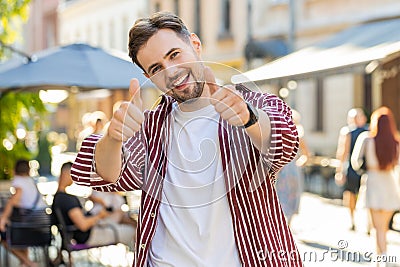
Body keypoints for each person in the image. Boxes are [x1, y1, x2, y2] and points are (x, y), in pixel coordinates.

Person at [71, 12, 301, 266]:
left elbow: (285, 142)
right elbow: (103, 174)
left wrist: (248, 118)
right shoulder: (153, 125)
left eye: (174, 54)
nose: (171, 71)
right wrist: (113, 137)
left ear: (196, 45)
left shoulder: (251, 102)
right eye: (156, 68)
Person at [351, 106, 400, 259]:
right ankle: (382, 256)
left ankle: (381, 257)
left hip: (373, 182)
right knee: (383, 227)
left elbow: (355, 162)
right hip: (389, 183)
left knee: (376, 227)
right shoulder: (395, 142)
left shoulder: (366, 139)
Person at [52, 162, 136, 249]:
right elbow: (83, 225)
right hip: (90, 235)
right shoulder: (66, 199)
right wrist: (100, 216)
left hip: (89, 232)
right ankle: (141, 258)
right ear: (66, 173)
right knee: (133, 231)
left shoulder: (58, 198)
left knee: (126, 219)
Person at [0, 159, 46, 267]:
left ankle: (29, 263)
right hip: (43, 229)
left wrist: (3, 218)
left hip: (30, 229)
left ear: (14, 170)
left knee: (5, 239)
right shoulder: (32, 182)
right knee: (20, 232)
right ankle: (25, 263)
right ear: (29, 170)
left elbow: (14, 200)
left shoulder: (18, 181)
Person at [335, 108, 368, 230]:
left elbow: (342, 152)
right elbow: (343, 152)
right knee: (353, 194)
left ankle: (354, 220)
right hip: (363, 168)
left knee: (351, 194)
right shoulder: (367, 131)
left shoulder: (348, 132)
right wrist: (340, 171)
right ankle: (356, 220)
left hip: (354, 167)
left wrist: (339, 171)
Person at [275, 110, 310, 225]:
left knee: (292, 194)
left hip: (292, 169)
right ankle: (280, 222)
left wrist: (298, 164)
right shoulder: (278, 135)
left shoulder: (299, 137)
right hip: (280, 168)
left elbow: (306, 155)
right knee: (279, 194)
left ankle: (288, 223)